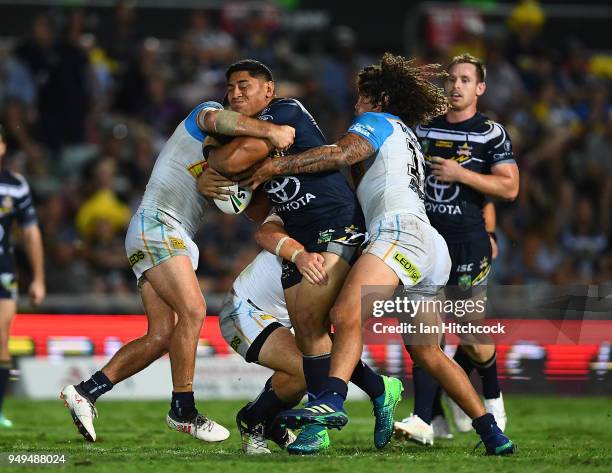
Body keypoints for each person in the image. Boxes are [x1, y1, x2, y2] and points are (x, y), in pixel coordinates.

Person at [242, 53, 516, 455]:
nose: (356, 106)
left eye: (361, 98)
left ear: (380, 99)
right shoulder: (407, 136)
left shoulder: (376, 122)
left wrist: (272, 170)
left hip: (399, 233)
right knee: (428, 352)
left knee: (343, 315)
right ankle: (493, 434)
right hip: (430, 247)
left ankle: (331, 400)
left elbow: (337, 154)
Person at [60, 100, 295, 442]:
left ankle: (86, 392)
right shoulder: (210, 113)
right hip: (158, 224)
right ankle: (182, 409)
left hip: (159, 230)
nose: (239, 97)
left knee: (160, 337)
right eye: (236, 90)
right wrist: (272, 132)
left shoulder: (229, 158)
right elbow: (216, 119)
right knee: (195, 309)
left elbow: (243, 206)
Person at [201, 59, 403, 454]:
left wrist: (212, 156)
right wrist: (233, 186)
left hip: (337, 224)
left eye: (245, 85)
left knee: (312, 334)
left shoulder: (285, 113)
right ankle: (376, 391)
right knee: (312, 344)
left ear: (269, 91)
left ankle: (313, 424)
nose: (235, 93)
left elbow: (235, 160)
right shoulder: (270, 177)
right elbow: (261, 216)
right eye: (230, 88)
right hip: (279, 271)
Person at [395, 53, 519, 445]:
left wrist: (461, 174)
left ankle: (492, 397)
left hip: (467, 242)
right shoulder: (424, 128)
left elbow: (509, 187)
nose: (455, 85)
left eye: (465, 79)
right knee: (422, 330)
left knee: (466, 328)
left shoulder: (491, 133)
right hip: (425, 241)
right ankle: (427, 417)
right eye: (450, 79)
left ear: (479, 88)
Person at [0, 124, 46, 428]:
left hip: (3, 269)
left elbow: (30, 233)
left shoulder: (15, 185)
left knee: (1, 339)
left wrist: (39, 277)